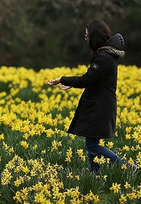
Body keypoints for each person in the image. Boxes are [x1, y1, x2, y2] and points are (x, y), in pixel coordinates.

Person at [46, 19, 135, 173]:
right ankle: (96, 174)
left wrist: (63, 79)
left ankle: (126, 165)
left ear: (95, 37)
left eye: (87, 36)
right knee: (91, 141)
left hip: (100, 107)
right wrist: (72, 83)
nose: (86, 39)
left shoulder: (104, 58)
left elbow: (87, 79)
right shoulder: (105, 56)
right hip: (99, 105)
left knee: (92, 145)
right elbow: (91, 79)